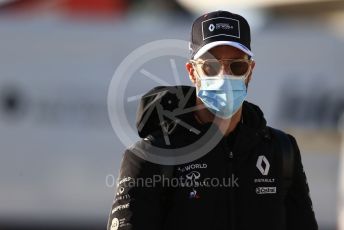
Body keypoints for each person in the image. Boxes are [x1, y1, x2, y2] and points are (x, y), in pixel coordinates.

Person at [107, 10, 318, 230]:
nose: (223, 75)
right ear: (192, 71)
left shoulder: (281, 150)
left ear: (250, 71)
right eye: (211, 66)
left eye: (236, 66)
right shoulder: (150, 156)